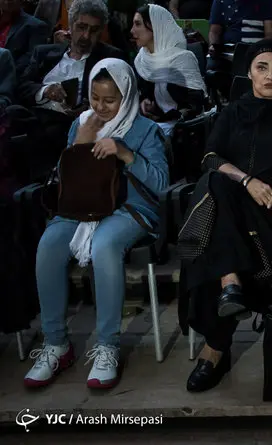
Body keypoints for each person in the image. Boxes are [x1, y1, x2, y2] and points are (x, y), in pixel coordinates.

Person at [180, 40, 272, 393]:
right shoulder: (231, 113)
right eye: (262, 67)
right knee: (217, 182)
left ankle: (216, 342)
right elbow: (210, 158)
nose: (270, 75)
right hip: (236, 208)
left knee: (213, 228)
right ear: (249, 73)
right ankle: (229, 284)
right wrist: (246, 181)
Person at [22, 58, 169, 390]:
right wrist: (80, 144)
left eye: (110, 100)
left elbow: (161, 184)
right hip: (80, 208)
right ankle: (56, 344)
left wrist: (125, 154)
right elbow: (67, 178)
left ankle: (107, 346)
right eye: (95, 98)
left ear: (126, 97)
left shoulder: (146, 130)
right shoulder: (82, 123)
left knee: (105, 244)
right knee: (48, 245)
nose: (101, 107)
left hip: (130, 209)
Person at [12, 0, 124, 180]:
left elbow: (119, 97)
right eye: (81, 27)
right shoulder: (44, 53)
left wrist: (89, 109)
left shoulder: (110, 58)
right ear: (70, 25)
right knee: (13, 113)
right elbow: (22, 86)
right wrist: (45, 91)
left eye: (94, 30)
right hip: (34, 116)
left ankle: (47, 183)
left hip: (69, 123)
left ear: (102, 31)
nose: (86, 36)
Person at [132, 4, 207, 137]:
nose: (132, 30)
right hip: (155, 124)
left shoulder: (183, 59)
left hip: (183, 127)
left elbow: (195, 103)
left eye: (138, 24)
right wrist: (145, 102)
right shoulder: (142, 60)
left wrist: (170, 118)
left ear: (155, 26)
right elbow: (143, 93)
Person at [0, 0, 49, 76]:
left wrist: (6, 73)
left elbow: (32, 58)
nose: (7, 2)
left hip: (11, 76)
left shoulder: (35, 26)